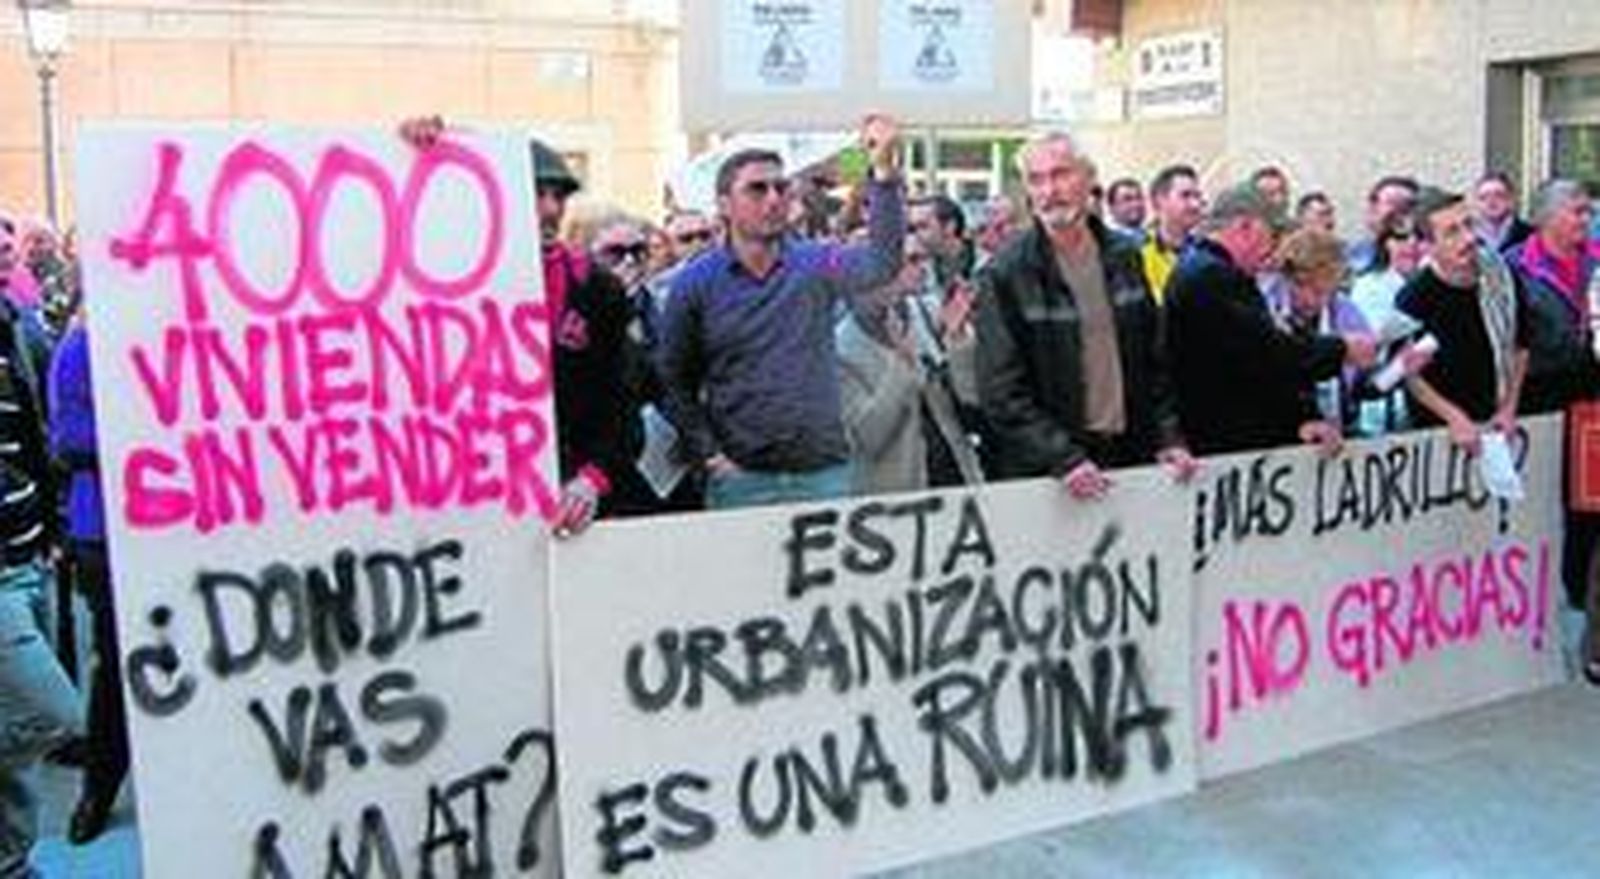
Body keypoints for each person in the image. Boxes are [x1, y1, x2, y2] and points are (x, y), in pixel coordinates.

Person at [401, 117, 640, 535]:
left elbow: (622, 404)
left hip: (574, 504)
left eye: (559, 196)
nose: (550, 208)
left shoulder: (598, 288)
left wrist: (592, 479)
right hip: (479, 501)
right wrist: (424, 149)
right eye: (535, 193)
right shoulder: (447, 283)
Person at [656, 114, 906, 509]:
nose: (774, 198)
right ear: (724, 204)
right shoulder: (695, 283)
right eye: (757, 189)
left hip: (822, 475)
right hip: (741, 481)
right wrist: (709, 454)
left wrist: (885, 172)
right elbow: (673, 381)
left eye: (780, 187)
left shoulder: (817, 263)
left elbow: (881, 264)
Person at [975, 131, 1195, 498]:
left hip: (1130, 457)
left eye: (1061, 174)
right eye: (1037, 180)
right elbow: (1000, 391)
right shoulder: (1007, 273)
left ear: (1089, 179)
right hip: (1051, 478)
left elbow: (1153, 361)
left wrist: (1169, 436)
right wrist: (1063, 458)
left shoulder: (1125, 256)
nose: (1049, 191)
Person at [1166, 183, 1377, 455]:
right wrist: (1342, 349)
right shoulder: (1211, 275)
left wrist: (1300, 420)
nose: (1273, 248)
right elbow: (1267, 352)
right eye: (1271, 235)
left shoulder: (1209, 269)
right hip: (1227, 446)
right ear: (1244, 227)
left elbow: (1260, 361)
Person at [0, 216, 80, 878]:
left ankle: (12, 859)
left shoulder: (15, 327)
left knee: (18, 744)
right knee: (53, 712)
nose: (5, 249)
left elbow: (38, 437)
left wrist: (49, 529)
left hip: (26, 554)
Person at [1504, 179, 1600, 680]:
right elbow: (1516, 344)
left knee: (1588, 516)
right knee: (1545, 512)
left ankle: (1582, 628)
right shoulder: (1516, 267)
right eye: (1577, 212)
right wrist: (1577, 347)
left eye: (1589, 212)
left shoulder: (1597, 262)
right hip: (1542, 409)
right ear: (1545, 216)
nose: (1586, 221)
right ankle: (1540, 621)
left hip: (1592, 411)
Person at [47, 315, 127, 845]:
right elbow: (68, 440)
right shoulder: (79, 348)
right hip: (105, 532)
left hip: (171, 526)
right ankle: (100, 785)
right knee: (117, 664)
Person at [838, 234, 983, 495]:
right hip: (895, 503)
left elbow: (972, 398)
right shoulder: (839, 348)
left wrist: (958, 340)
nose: (922, 268)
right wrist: (901, 365)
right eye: (913, 260)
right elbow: (868, 438)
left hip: (959, 480)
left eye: (923, 258)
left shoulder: (929, 311)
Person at [1397, 187, 1530, 456]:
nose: (1468, 238)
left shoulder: (1502, 275)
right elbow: (1407, 373)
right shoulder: (1414, 297)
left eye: (1468, 225)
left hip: (1497, 420)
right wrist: (1453, 417)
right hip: (1437, 433)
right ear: (1427, 246)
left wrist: (1508, 407)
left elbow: (1521, 345)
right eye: (1452, 232)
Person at [1349, 213, 1428, 435]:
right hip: (1385, 403)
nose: (1411, 245)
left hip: (1428, 400)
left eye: (1418, 237)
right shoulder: (1369, 285)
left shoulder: (1430, 279)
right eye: (1401, 238)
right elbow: (1377, 333)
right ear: (1386, 244)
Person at [1140, 163, 1204, 304]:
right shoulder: (1136, 255)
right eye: (1185, 196)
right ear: (1159, 201)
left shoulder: (1208, 250)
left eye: (1198, 196)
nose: (1196, 204)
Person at [1346, 175, 1420, 272]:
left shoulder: (1418, 256)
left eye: (1402, 207)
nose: (1373, 207)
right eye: (1373, 200)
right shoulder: (1353, 253)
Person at [1473, 170, 1535, 254]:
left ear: (1511, 200)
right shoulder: (1469, 238)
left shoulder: (1530, 236)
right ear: (1476, 203)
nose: (1491, 201)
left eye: (1498, 195)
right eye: (1483, 197)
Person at [1104, 177, 1148, 243]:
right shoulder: (1103, 241)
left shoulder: (1154, 237)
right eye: (1127, 199)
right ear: (1112, 208)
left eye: (1139, 197)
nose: (1136, 204)